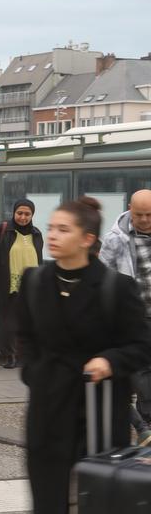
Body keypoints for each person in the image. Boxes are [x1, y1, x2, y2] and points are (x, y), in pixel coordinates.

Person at [14, 196, 151, 514]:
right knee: (69, 511)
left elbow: (141, 346)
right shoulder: (35, 281)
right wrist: (36, 375)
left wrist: (110, 360)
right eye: (51, 228)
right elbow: (26, 339)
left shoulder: (116, 289)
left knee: (93, 509)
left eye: (63, 230)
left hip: (98, 413)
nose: (52, 236)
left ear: (89, 240)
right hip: (51, 412)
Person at [98, 189, 151, 443]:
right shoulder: (116, 238)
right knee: (140, 375)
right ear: (130, 208)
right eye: (139, 214)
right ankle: (146, 426)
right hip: (133, 318)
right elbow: (103, 273)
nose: (144, 220)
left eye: (149, 215)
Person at [0, 200, 43, 369]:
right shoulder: (3, 230)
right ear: (14, 213)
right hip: (6, 283)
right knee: (7, 321)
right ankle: (9, 355)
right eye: (19, 213)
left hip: (30, 285)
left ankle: (23, 353)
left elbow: (39, 259)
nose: (23, 217)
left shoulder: (36, 234)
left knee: (25, 320)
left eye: (27, 214)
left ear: (32, 215)